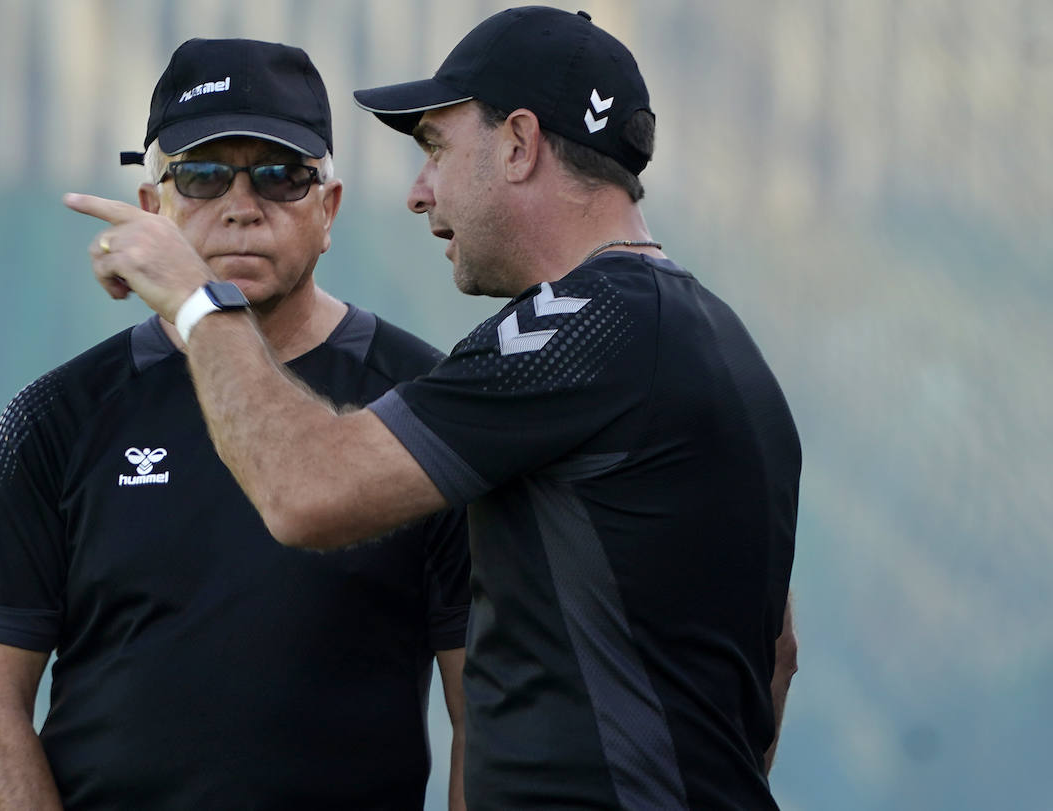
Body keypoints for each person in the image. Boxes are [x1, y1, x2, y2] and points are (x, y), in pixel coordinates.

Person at [67, 7, 801, 810]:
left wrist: (197, 302)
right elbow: (778, 655)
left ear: (518, 145)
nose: (420, 192)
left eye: (436, 147)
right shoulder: (716, 337)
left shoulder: (575, 330)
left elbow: (304, 489)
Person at [0, 38, 472, 811]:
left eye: (283, 175)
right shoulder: (53, 418)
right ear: (154, 207)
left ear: (329, 209)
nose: (242, 204)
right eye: (204, 174)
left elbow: (484, 716)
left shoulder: (427, 405)